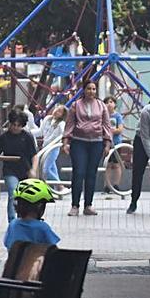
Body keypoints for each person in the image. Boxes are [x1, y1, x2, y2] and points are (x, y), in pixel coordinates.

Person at [62, 80, 112, 216]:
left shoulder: (101, 106)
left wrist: (107, 144)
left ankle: (88, 205)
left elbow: (107, 125)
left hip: (96, 143)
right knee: (78, 173)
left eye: (94, 89)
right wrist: (66, 142)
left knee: (91, 174)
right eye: (89, 89)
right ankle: (75, 205)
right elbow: (69, 124)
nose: (91, 91)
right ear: (83, 90)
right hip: (79, 143)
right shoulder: (76, 105)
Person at [0, 109, 38, 223]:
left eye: (19, 125)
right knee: (13, 192)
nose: (16, 128)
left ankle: (22, 219)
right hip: (10, 170)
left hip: (25, 170)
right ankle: (12, 221)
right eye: (14, 125)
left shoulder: (27, 137)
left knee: (24, 197)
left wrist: (33, 170)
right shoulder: (4, 137)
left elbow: (34, 155)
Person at [4, 178, 61, 249]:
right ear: (40, 206)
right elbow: (53, 250)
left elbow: (8, 244)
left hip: (15, 260)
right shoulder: (43, 228)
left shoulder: (13, 225)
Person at [38, 105, 67, 182]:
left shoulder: (61, 124)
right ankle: (58, 187)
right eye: (56, 109)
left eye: (59, 111)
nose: (56, 111)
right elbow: (40, 131)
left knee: (45, 170)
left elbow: (63, 134)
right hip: (45, 148)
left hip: (53, 148)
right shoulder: (47, 119)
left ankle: (60, 186)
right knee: (53, 169)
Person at [103, 96, 125, 194]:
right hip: (106, 143)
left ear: (115, 104)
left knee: (116, 164)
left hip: (116, 143)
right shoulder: (103, 116)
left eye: (111, 102)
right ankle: (107, 185)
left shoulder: (118, 116)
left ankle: (116, 184)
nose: (109, 104)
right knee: (107, 164)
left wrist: (112, 131)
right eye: (107, 102)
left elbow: (120, 129)